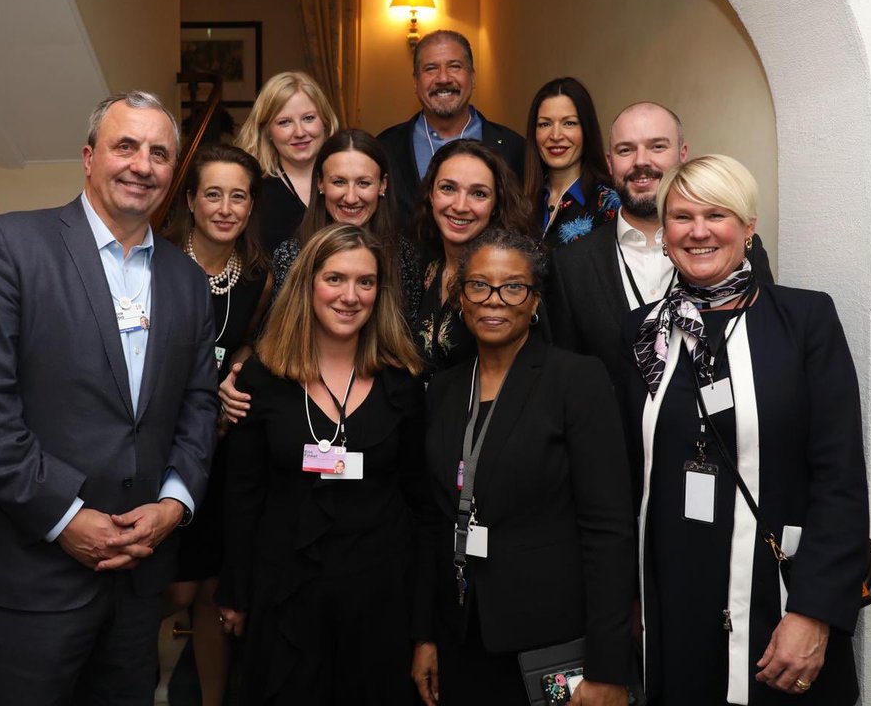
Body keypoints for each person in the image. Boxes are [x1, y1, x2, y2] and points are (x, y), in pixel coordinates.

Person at [0, 91, 218, 704]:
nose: (142, 165)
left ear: (174, 172)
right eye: (125, 146)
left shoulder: (188, 281)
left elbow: (199, 406)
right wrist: (65, 517)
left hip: (138, 580)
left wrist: (174, 505)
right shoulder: (12, 246)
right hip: (29, 578)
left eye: (159, 153)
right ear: (88, 158)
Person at [620, 155, 868, 704]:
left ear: (748, 226)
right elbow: (628, 476)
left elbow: (840, 479)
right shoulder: (643, 335)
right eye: (682, 217)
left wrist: (813, 613)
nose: (699, 231)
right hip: (672, 607)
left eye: (717, 214)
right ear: (664, 234)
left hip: (776, 603)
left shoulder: (805, 322)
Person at [411, 229, 635, 706]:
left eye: (513, 286)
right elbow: (432, 520)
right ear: (461, 299)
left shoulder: (576, 380)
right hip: (461, 635)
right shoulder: (445, 390)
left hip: (549, 642)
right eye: (479, 285)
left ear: (534, 301)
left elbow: (608, 528)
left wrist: (609, 665)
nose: (495, 300)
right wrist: (425, 635)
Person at [215, 223, 426, 705]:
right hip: (284, 590)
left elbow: (420, 501)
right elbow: (242, 495)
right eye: (335, 279)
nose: (350, 296)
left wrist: (422, 617)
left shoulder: (403, 381)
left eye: (365, 282)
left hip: (378, 595)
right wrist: (235, 589)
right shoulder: (259, 380)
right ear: (307, 283)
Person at [548, 101, 774, 385]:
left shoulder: (735, 247)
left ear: (682, 155)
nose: (641, 161)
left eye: (657, 147)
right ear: (609, 162)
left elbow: (768, 346)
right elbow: (566, 381)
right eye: (626, 150)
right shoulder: (570, 266)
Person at [160, 143, 273, 706]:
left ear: (251, 207)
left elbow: (251, 341)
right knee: (169, 587)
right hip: (162, 448)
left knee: (211, 591)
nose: (226, 208)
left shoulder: (258, 277)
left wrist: (240, 371)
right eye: (213, 194)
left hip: (224, 450)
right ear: (190, 200)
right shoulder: (154, 264)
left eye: (239, 196)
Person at [377, 30, 525, 228]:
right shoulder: (385, 147)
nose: (443, 78)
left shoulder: (513, 148)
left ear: (472, 77)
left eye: (455, 67)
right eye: (430, 69)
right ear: (415, 82)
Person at [271, 128, 422, 320]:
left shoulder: (403, 255)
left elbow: (410, 335)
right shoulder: (292, 255)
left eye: (363, 183)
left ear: (382, 185)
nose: (351, 198)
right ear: (320, 183)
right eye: (339, 182)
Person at [414, 139, 534, 374]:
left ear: (496, 204)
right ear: (430, 194)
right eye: (448, 188)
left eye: (478, 194)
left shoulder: (514, 278)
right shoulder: (425, 267)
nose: (460, 206)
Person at [235, 71, 340, 252]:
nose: (299, 132)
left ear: (325, 121)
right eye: (284, 122)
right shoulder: (254, 191)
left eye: (308, 118)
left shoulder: (349, 183)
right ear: (267, 131)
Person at [522, 77, 619, 246]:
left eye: (569, 123)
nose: (556, 136)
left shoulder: (609, 203)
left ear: (586, 130)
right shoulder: (521, 203)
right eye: (545, 124)